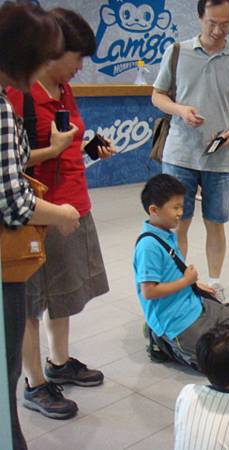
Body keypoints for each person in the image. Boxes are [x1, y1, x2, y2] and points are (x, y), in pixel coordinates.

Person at [6, 8, 113, 421]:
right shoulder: (17, 95)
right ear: (50, 51)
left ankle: (59, 361)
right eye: (77, 56)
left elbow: (64, 142)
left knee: (64, 293)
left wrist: (85, 147)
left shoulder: (64, 90)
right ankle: (34, 383)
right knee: (31, 301)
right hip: (36, 213)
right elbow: (11, 165)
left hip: (72, 204)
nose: (81, 65)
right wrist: (51, 151)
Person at [0, 3, 81, 448]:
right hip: (7, 259)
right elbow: (13, 203)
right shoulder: (4, 105)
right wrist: (61, 213)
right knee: (8, 366)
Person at [152, 0, 229, 301]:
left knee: (216, 223)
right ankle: (177, 284)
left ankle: (215, 283)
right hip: (179, 155)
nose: (218, 30)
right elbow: (157, 96)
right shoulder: (177, 52)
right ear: (199, 17)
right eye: (212, 22)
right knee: (177, 223)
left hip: (219, 158)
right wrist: (180, 110)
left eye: (225, 24)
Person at [133, 174, 229, 370]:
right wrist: (186, 281)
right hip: (176, 321)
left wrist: (194, 284)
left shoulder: (167, 234)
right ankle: (161, 342)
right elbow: (149, 292)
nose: (180, 213)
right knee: (218, 362)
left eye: (181, 207)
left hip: (194, 304)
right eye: (175, 207)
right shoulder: (148, 246)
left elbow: (171, 271)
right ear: (154, 210)